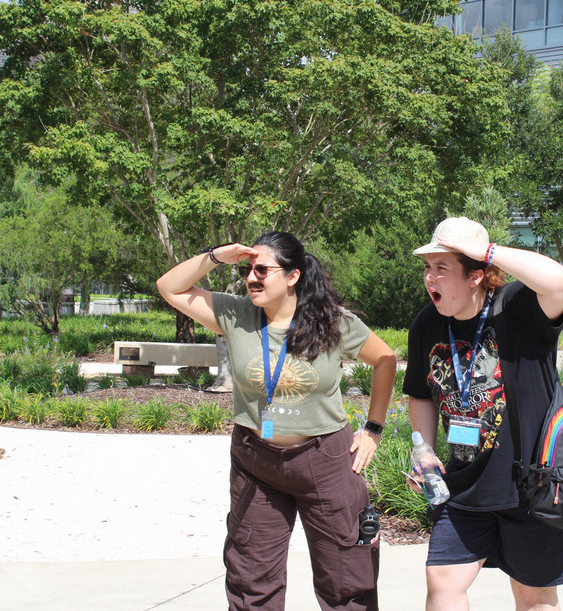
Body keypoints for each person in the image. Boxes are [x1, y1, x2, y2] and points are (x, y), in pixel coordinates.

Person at [156, 232, 396, 610]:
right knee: (251, 579)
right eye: (249, 270)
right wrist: (218, 256)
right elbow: (169, 287)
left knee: (346, 579)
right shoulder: (236, 314)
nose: (252, 277)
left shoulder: (332, 323)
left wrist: (373, 430)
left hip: (325, 460)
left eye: (262, 269)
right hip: (256, 462)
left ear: (292, 276)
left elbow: (385, 360)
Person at [402, 217, 563, 611]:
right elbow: (420, 394)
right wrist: (424, 450)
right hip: (463, 487)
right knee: (442, 583)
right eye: (428, 268)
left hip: (531, 487)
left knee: (534, 598)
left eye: (442, 268)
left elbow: (560, 282)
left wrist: (491, 251)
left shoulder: (519, 308)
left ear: (476, 275)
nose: (430, 278)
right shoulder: (427, 324)